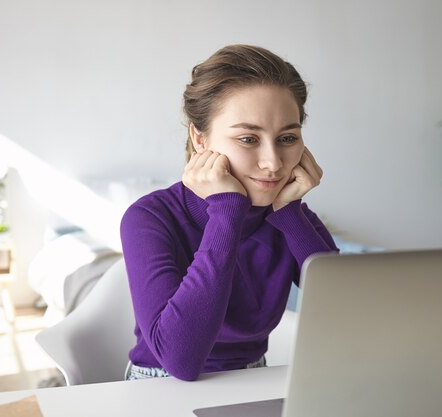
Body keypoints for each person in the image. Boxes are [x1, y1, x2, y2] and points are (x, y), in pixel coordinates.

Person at [120, 44, 338, 382]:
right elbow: (181, 361)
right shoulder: (150, 217)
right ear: (200, 138)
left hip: (251, 381)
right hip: (161, 385)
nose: (273, 163)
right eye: (249, 139)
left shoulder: (291, 216)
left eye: (287, 138)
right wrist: (227, 212)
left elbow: (350, 317)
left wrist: (291, 215)